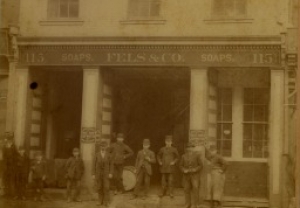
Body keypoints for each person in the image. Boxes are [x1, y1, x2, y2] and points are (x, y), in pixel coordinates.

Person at [180, 142, 203, 208]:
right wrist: (183, 170)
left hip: (195, 176)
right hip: (186, 176)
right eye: (188, 147)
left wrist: (195, 169)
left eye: (191, 147)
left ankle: (196, 204)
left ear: (193, 148)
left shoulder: (197, 156)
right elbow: (180, 165)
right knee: (186, 189)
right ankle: (187, 204)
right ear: (187, 148)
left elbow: (201, 165)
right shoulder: (183, 156)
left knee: (195, 189)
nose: (190, 149)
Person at [93, 141, 114, 207]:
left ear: (106, 147)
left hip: (106, 174)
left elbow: (111, 165)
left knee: (106, 187)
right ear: (100, 147)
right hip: (98, 174)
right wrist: (93, 174)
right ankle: (99, 201)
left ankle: (106, 202)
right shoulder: (96, 155)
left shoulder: (109, 155)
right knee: (99, 187)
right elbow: (93, 165)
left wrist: (110, 173)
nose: (103, 147)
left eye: (104, 146)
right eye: (101, 146)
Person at [2, 134, 17, 198]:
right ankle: (7, 193)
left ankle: (13, 194)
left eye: (10, 140)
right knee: (6, 180)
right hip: (6, 167)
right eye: (8, 140)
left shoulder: (13, 147)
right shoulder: (4, 148)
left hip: (12, 167)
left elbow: (15, 156)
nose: (9, 141)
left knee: (12, 181)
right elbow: (4, 157)